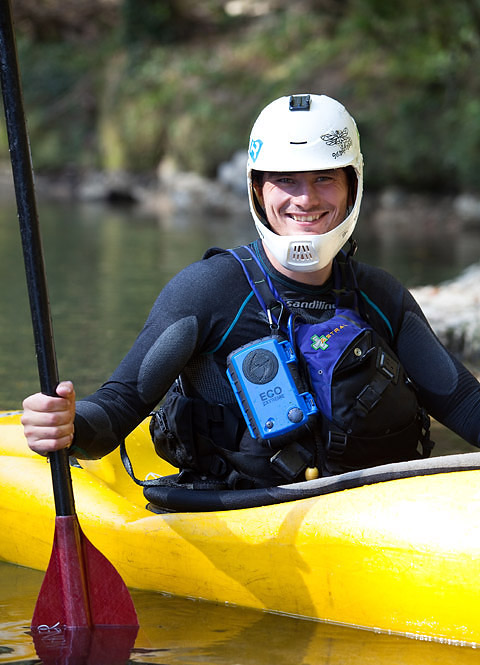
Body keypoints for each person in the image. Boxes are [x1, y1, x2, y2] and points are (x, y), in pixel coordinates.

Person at [22, 93, 480, 490]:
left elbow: (461, 402)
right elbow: (120, 406)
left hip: (369, 512)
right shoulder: (207, 292)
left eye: (324, 178)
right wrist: (69, 426)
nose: (306, 199)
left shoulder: (380, 296)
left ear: (351, 186)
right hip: (243, 513)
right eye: (286, 180)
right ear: (258, 189)